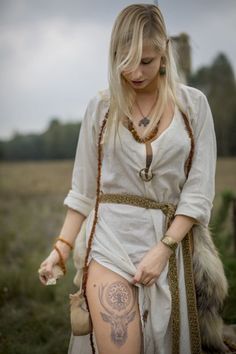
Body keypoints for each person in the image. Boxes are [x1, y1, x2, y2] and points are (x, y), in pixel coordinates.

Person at [39, 4, 229, 354]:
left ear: (164, 54)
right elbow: (82, 192)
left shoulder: (193, 106)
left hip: (170, 246)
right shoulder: (100, 108)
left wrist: (163, 249)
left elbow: (198, 193)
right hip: (109, 241)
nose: (135, 72)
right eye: (124, 60)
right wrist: (60, 251)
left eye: (146, 61)